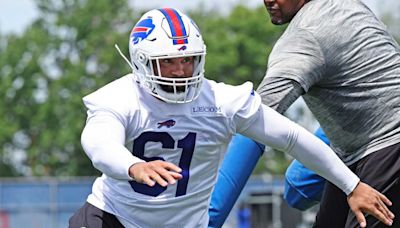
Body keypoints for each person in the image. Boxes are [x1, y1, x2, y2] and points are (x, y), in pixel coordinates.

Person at [68, 7, 393, 228]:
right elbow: (98, 143)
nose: (181, 71)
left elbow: (292, 138)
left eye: (189, 60)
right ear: (142, 63)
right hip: (113, 218)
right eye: (168, 62)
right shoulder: (119, 97)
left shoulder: (221, 100)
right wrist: (133, 166)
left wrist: (351, 185)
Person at [209, 0, 400, 227]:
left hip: (388, 143)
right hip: (357, 150)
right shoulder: (348, 4)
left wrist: (209, 220)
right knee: (298, 188)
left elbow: (253, 125)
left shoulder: (304, 36)